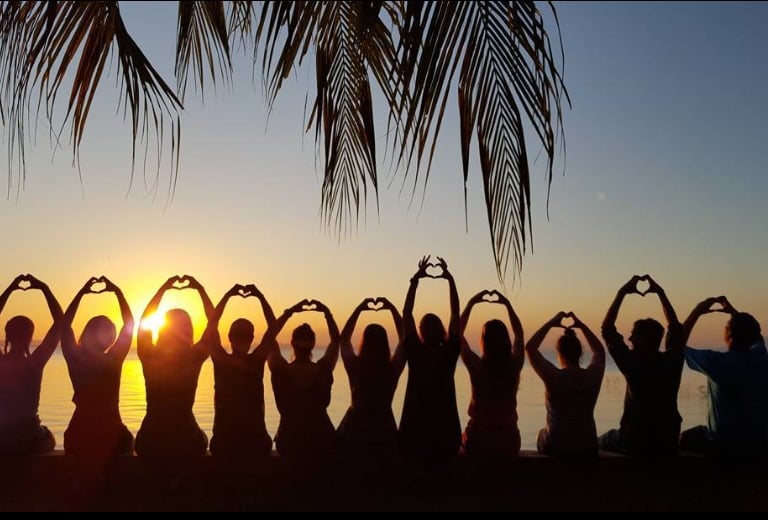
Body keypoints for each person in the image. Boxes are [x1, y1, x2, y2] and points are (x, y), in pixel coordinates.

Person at [599, 274, 684, 456]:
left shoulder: (632, 362)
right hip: (668, 442)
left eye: (634, 335)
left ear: (643, 339)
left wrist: (622, 293)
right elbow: (676, 329)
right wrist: (661, 293)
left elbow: (607, 329)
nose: (629, 338)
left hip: (635, 441)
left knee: (600, 441)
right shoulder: (672, 361)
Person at [680, 296, 768, 457]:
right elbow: (757, 337)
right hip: (758, 442)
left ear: (729, 334)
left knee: (683, 438)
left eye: (726, 327)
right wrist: (734, 314)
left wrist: (697, 311)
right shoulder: (760, 357)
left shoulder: (717, 363)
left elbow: (675, 346)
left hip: (723, 444)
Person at [135, 275, 212, 457]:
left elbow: (144, 321)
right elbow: (213, 324)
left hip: (149, 439)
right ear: (189, 330)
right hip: (186, 438)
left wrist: (164, 288)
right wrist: (200, 289)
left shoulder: (149, 354)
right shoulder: (194, 357)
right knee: (204, 439)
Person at [398, 256, 462, 464]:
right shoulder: (449, 352)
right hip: (447, 438)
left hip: (413, 436)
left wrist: (415, 280)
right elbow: (455, 314)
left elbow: (406, 313)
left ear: (421, 332)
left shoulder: (415, 351)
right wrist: (450, 280)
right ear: (442, 330)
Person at [61, 276, 134, 457]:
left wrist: (82, 293)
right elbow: (129, 324)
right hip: (111, 436)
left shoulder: (75, 358)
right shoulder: (114, 359)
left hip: (78, 435)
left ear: (86, 333)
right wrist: (117, 291)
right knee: (128, 441)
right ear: (111, 338)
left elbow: (64, 325)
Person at [202, 283, 276, 457]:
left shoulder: (221, 360)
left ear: (229, 337)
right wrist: (259, 296)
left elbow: (212, 323)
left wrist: (228, 295)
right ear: (252, 338)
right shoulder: (257, 361)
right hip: (257, 444)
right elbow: (273, 327)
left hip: (223, 444)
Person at [526, 311, 605, 457]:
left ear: (559, 353)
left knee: (541, 433)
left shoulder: (554, 376)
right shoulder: (592, 376)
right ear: (580, 353)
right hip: (587, 445)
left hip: (555, 445)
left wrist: (552, 323)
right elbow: (599, 352)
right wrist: (581, 326)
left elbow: (530, 348)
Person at [268, 299, 340, 458]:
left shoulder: (280, 370)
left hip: (289, 441)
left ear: (292, 343)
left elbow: (269, 337)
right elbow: (336, 341)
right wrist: (327, 313)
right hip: (323, 440)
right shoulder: (323, 370)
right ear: (313, 344)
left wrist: (289, 312)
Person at [0, 274, 62, 454]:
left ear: (7, 336)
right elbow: (60, 323)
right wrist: (44, 288)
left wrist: (10, 289)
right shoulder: (35, 363)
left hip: (3, 435)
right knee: (48, 436)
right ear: (30, 337)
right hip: (30, 436)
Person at [459, 289, 524, 456]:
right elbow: (519, 334)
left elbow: (456, 334)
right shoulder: (514, 365)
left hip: (479, 438)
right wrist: (507, 305)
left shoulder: (477, 367)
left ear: (484, 342)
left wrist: (471, 303)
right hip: (508, 440)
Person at [337, 297, 405, 455]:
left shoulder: (355, 366)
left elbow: (344, 339)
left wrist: (359, 309)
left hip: (354, 432)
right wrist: (392, 308)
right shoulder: (391, 369)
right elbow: (404, 339)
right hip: (384, 432)